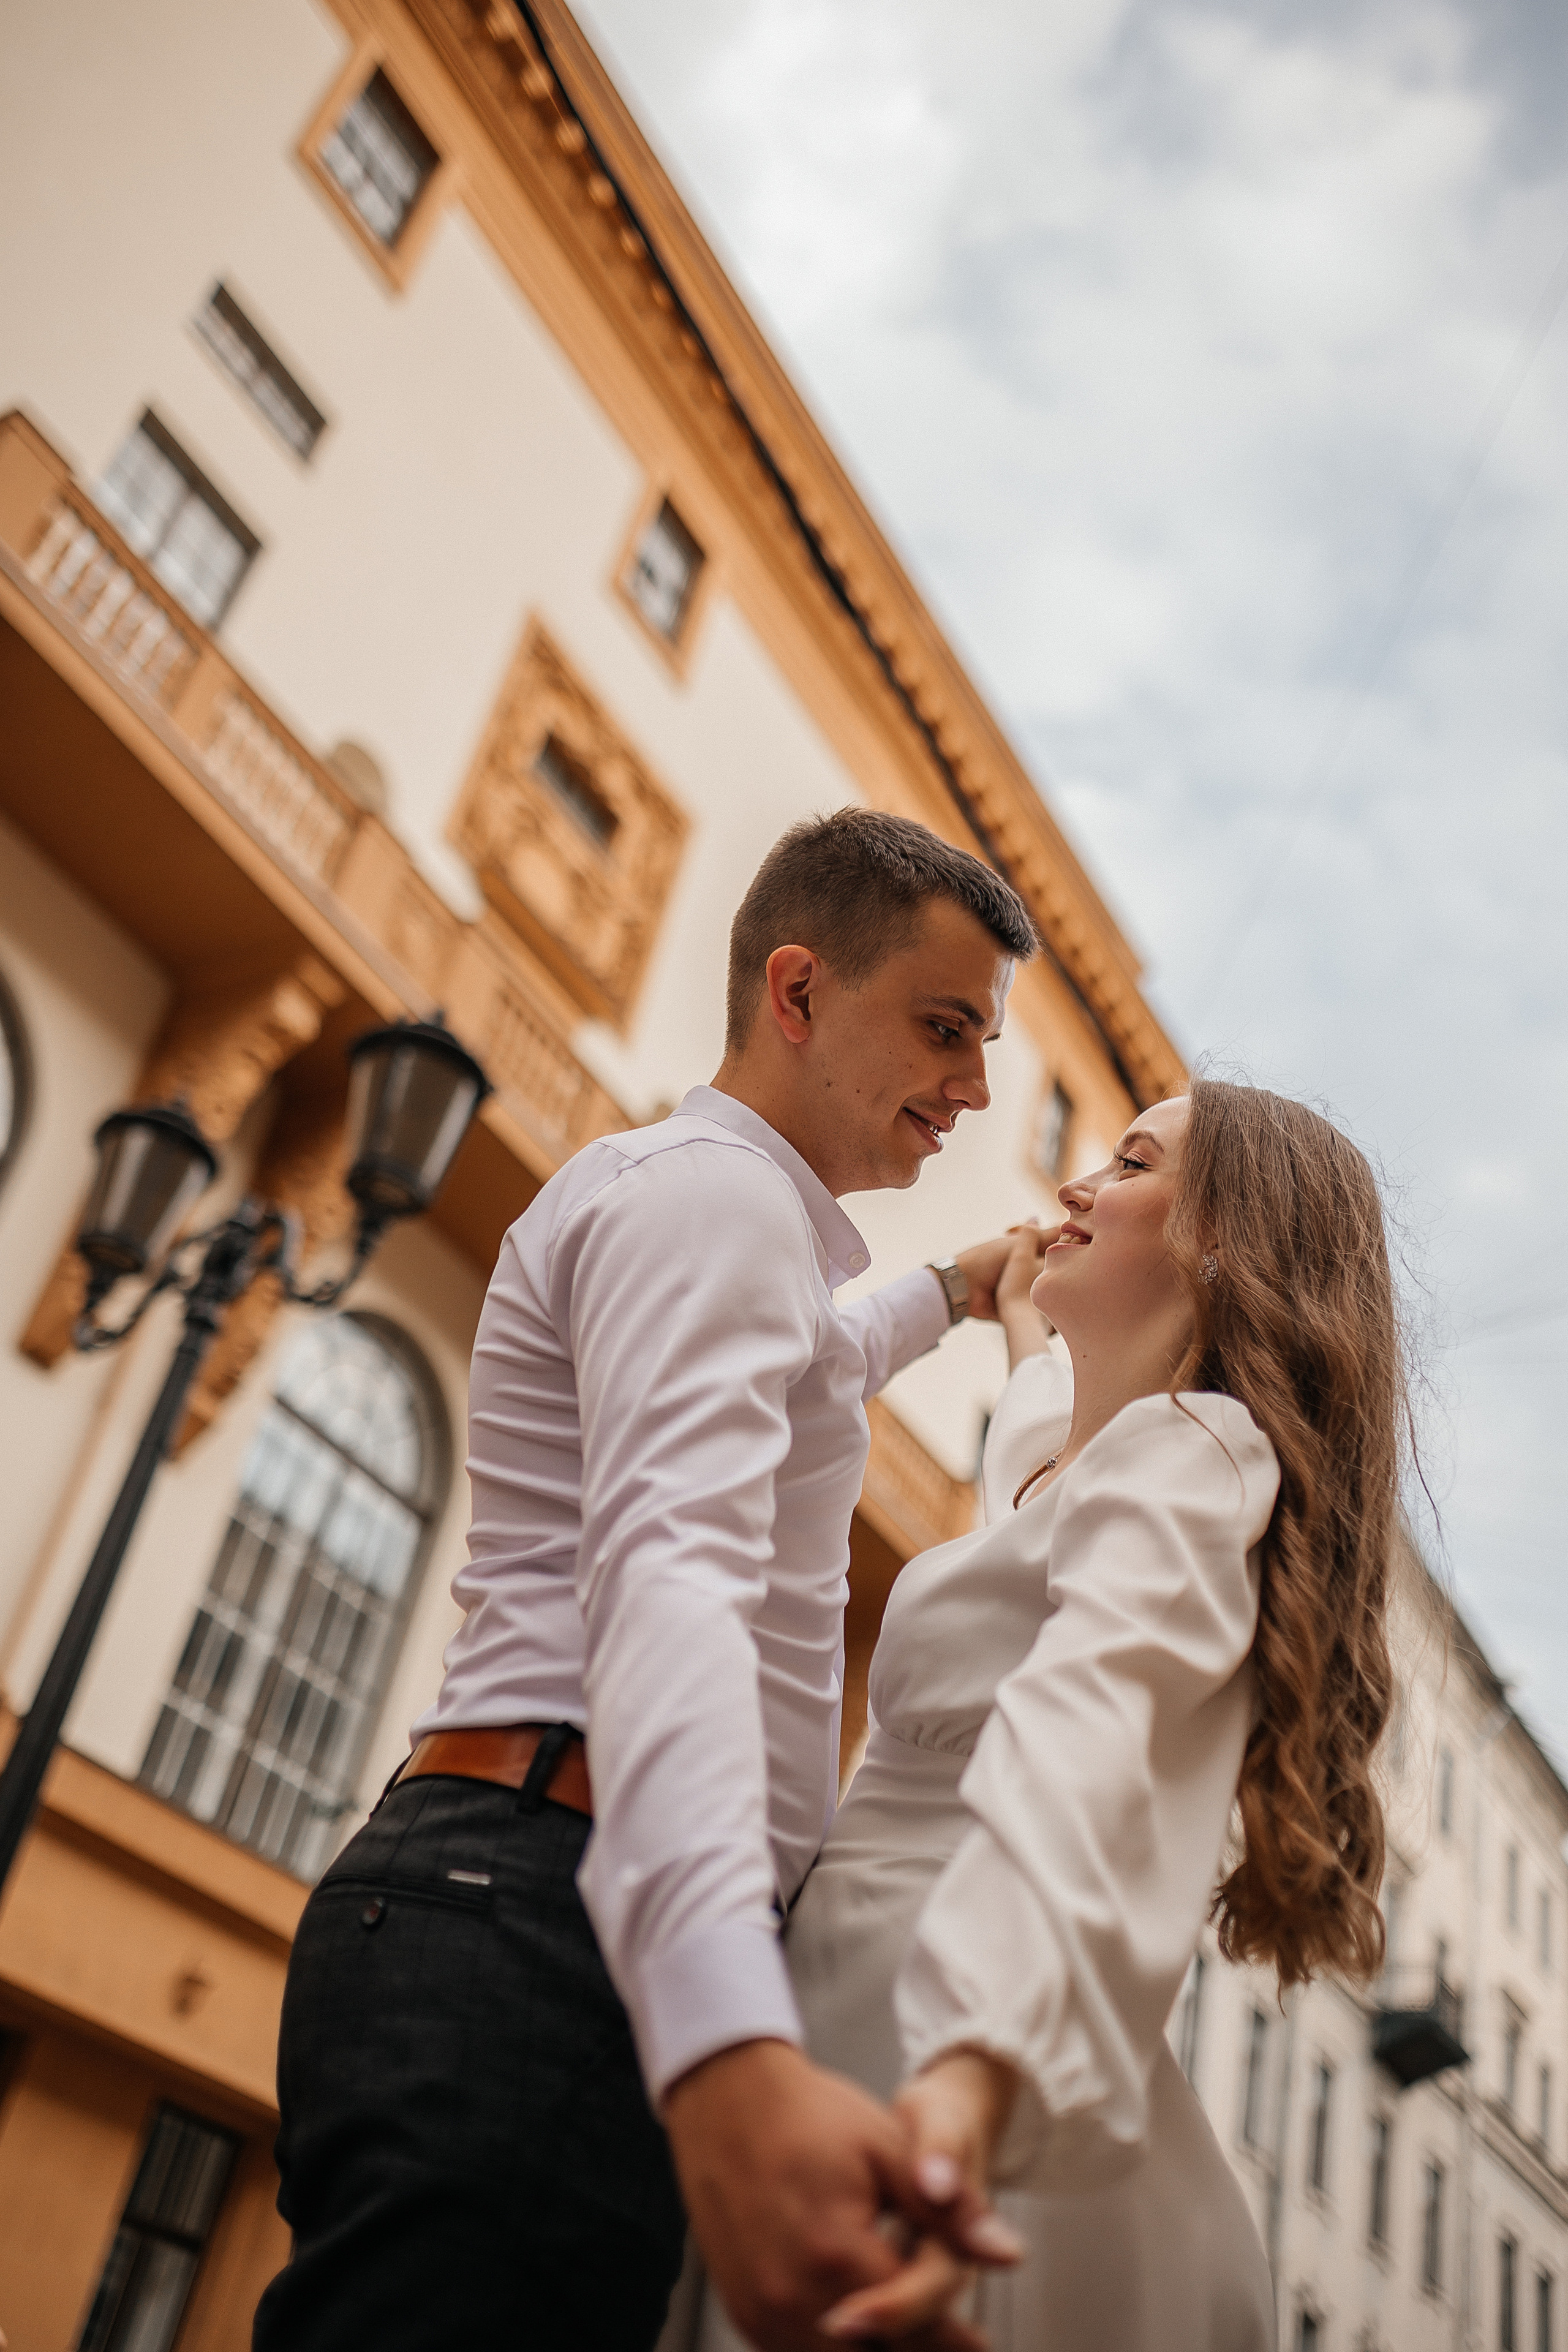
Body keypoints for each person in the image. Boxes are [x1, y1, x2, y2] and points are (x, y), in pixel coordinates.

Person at [253, 809, 1041, 2352]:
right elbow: (670, 1578)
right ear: (796, 994)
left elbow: (817, 1363)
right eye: (945, 1031)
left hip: (536, 1892)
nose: (975, 1087)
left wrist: (950, 1293)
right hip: (546, 1905)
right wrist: (726, 2043)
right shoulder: (715, 1205)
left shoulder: (721, 1214)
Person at [706, 1077, 1402, 2351]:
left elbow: (1086, 1737)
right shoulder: (1070, 1475)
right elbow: (1034, 1437)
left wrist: (968, 2081)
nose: (1073, 1189)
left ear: (1219, 1242)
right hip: (863, 1981)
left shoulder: (1191, 1456)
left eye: (1128, 1165)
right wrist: (1007, 1306)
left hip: (940, 2007)